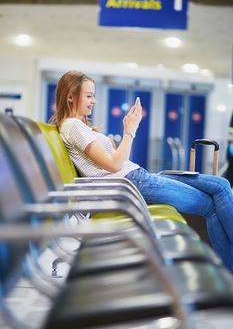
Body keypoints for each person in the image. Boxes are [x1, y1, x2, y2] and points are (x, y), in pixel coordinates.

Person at [50, 70, 233, 272]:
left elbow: (115, 164)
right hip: (133, 184)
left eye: (93, 95)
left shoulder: (77, 126)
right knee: (211, 203)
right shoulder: (73, 126)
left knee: (221, 185)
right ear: (70, 96)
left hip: (138, 179)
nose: (94, 100)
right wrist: (130, 130)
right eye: (89, 95)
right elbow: (113, 164)